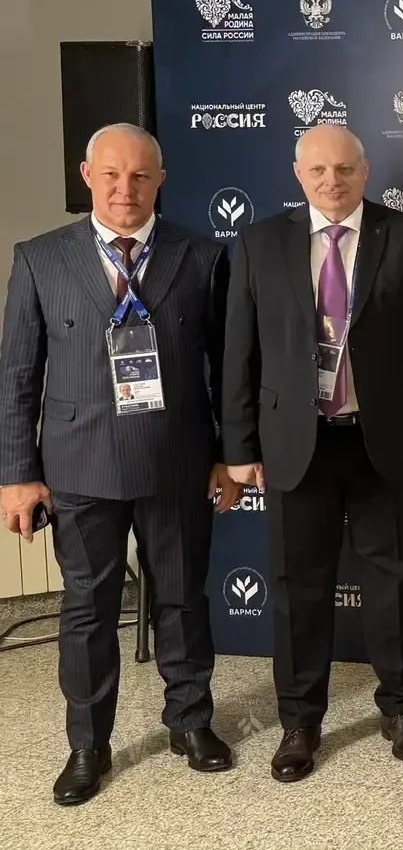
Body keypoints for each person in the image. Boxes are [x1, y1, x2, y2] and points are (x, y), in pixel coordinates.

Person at [0, 124, 241, 806]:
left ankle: (190, 722)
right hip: (78, 468)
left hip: (177, 462)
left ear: (160, 179)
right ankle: (88, 745)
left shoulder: (202, 256)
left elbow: (228, 369)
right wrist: (17, 474)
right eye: (110, 174)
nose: (124, 188)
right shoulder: (41, 259)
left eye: (139, 175)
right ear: (87, 176)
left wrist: (229, 455)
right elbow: (17, 375)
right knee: (87, 610)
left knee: (183, 599)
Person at [223, 124, 403, 782]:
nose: (332, 180)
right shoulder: (260, 242)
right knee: (297, 589)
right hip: (296, 445)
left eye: (345, 168)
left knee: (395, 583)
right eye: (319, 169)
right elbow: (239, 351)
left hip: (388, 444)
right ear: (298, 174)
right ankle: (299, 722)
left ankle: (401, 709)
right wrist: (239, 446)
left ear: (365, 170)